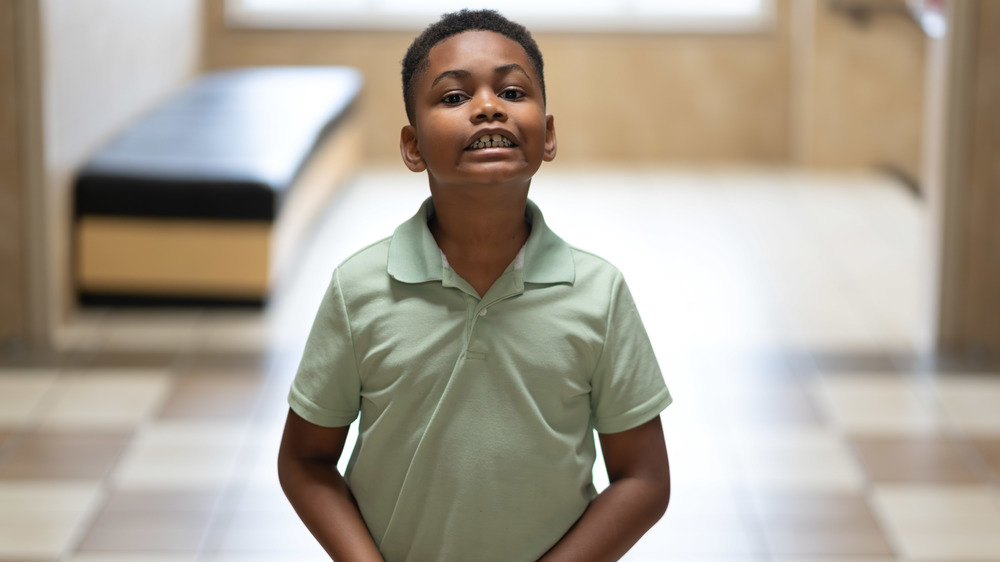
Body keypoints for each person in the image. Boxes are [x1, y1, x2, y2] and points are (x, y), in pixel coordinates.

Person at [277, 9, 672, 561]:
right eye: (454, 98)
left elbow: (644, 479)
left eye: (512, 91)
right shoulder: (360, 289)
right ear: (413, 147)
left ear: (549, 135)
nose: (488, 106)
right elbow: (303, 460)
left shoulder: (598, 293)